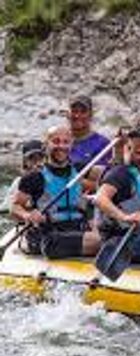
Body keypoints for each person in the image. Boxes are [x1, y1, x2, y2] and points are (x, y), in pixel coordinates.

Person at [11, 126, 100, 258]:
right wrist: (27, 216)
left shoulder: (81, 170)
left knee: (110, 237)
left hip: (76, 230)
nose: (61, 146)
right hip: (49, 235)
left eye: (65, 142)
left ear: (71, 145)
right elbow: (15, 208)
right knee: (100, 242)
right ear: (46, 145)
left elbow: (114, 173)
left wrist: (119, 148)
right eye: (56, 141)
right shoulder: (34, 177)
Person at [94, 124, 140, 264]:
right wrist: (125, 217)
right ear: (128, 148)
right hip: (123, 243)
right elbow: (100, 198)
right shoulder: (120, 174)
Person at [67, 95, 111, 168]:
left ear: (91, 115)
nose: (77, 115)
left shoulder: (103, 144)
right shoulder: (59, 141)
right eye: (74, 111)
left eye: (83, 112)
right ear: (68, 114)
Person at [0, 140, 45, 213]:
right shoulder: (19, 182)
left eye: (41, 158)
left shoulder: (54, 179)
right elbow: (6, 207)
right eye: (32, 159)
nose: (38, 163)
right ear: (25, 162)